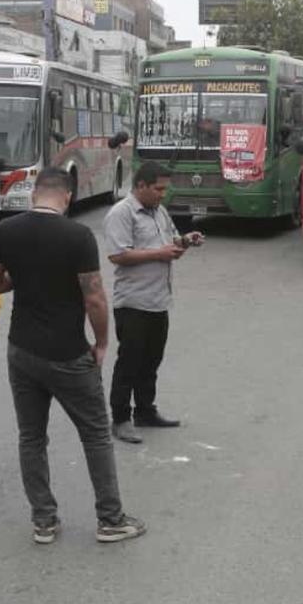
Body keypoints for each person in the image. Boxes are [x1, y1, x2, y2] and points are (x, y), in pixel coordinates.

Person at [0, 167, 146, 545]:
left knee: (31, 437)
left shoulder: (6, 231)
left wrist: (20, 278)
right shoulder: (78, 236)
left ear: (34, 192)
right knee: (96, 435)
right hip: (68, 353)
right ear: (68, 196)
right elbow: (94, 297)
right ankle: (110, 519)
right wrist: (102, 342)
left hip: (21, 350)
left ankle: (44, 521)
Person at [102, 160, 204, 444]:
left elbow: (170, 240)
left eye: (165, 189)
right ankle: (121, 418)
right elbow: (118, 255)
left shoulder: (159, 211)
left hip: (159, 300)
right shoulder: (121, 213)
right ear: (141, 186)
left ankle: (145, 411)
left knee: (151, 361)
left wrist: (184, 240)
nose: (163, 194)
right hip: (133, 302)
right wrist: (159, 253)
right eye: (158, 189)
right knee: (129, 362)